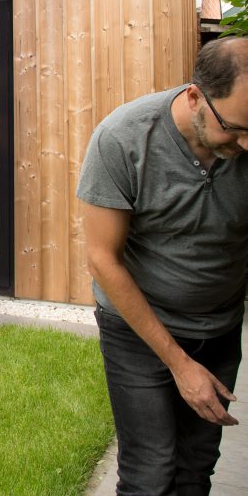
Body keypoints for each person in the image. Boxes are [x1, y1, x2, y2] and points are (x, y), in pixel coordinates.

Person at [79, 37, 248, 494]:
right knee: (151, 471)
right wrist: (178, 362)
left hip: (220, 326)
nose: (245, 143)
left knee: (196, 465)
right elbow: (102, 259)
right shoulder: (124, 137)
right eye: (234, 127)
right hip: (137, 328)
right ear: (195, 96)